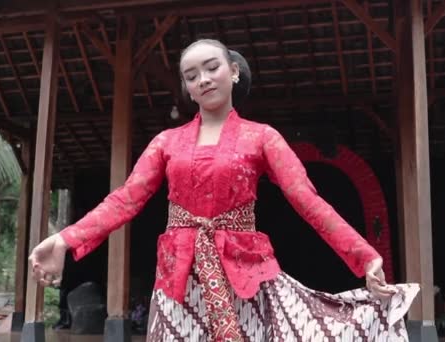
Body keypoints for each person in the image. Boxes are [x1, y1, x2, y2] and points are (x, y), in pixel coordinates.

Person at [29, 39, 419, 341]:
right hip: (177, 279)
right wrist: (64, 240)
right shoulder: (166, 142)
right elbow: (125, 200)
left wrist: (364, 256)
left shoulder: (262, 137)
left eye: (212, 67)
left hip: (244, 276)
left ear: (233, 72)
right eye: (191, 74)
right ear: (187, 89)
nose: (203, 78)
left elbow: (308, 201)